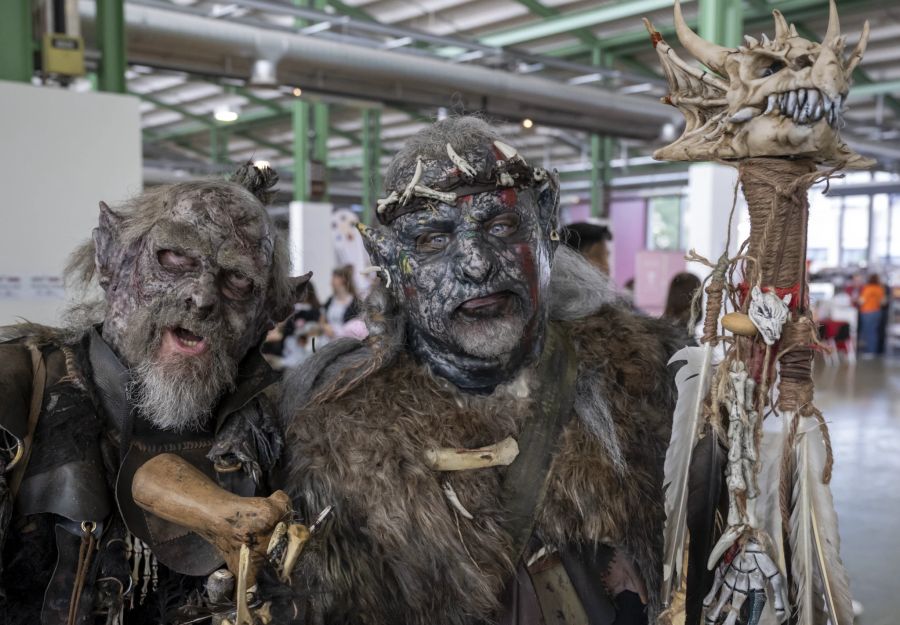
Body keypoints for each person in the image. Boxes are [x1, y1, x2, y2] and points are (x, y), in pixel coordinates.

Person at [279, 117, 688, 625]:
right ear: (388, 260)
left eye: (500, 227)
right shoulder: (335, 438)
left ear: (545, 229)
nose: (476, 263)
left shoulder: (650, 378)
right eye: (432, 239)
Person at [0, 163, 307, 624]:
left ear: (272, 312)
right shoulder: (17, 385)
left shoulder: (285, 428)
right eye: (176, 260)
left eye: (238, 280)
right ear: (112, 259)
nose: (203, 297)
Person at [320, 265, 365, 340]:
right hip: (328, 340)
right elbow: (321, 320)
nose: (331, 281)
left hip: (346, 341)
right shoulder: (330, 300)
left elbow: (359, 326)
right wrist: (325, 327)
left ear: (342, 279)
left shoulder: (356, 302)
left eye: (334, 277)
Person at [858, 273, 886, 356]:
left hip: (867, 312)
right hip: (877, 312)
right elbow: (883, 302)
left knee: (869, 332)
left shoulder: (868, 288)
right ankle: (872, 350)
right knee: (874, 332)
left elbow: (861, 301)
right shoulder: (880, 288)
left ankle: (870, 351)